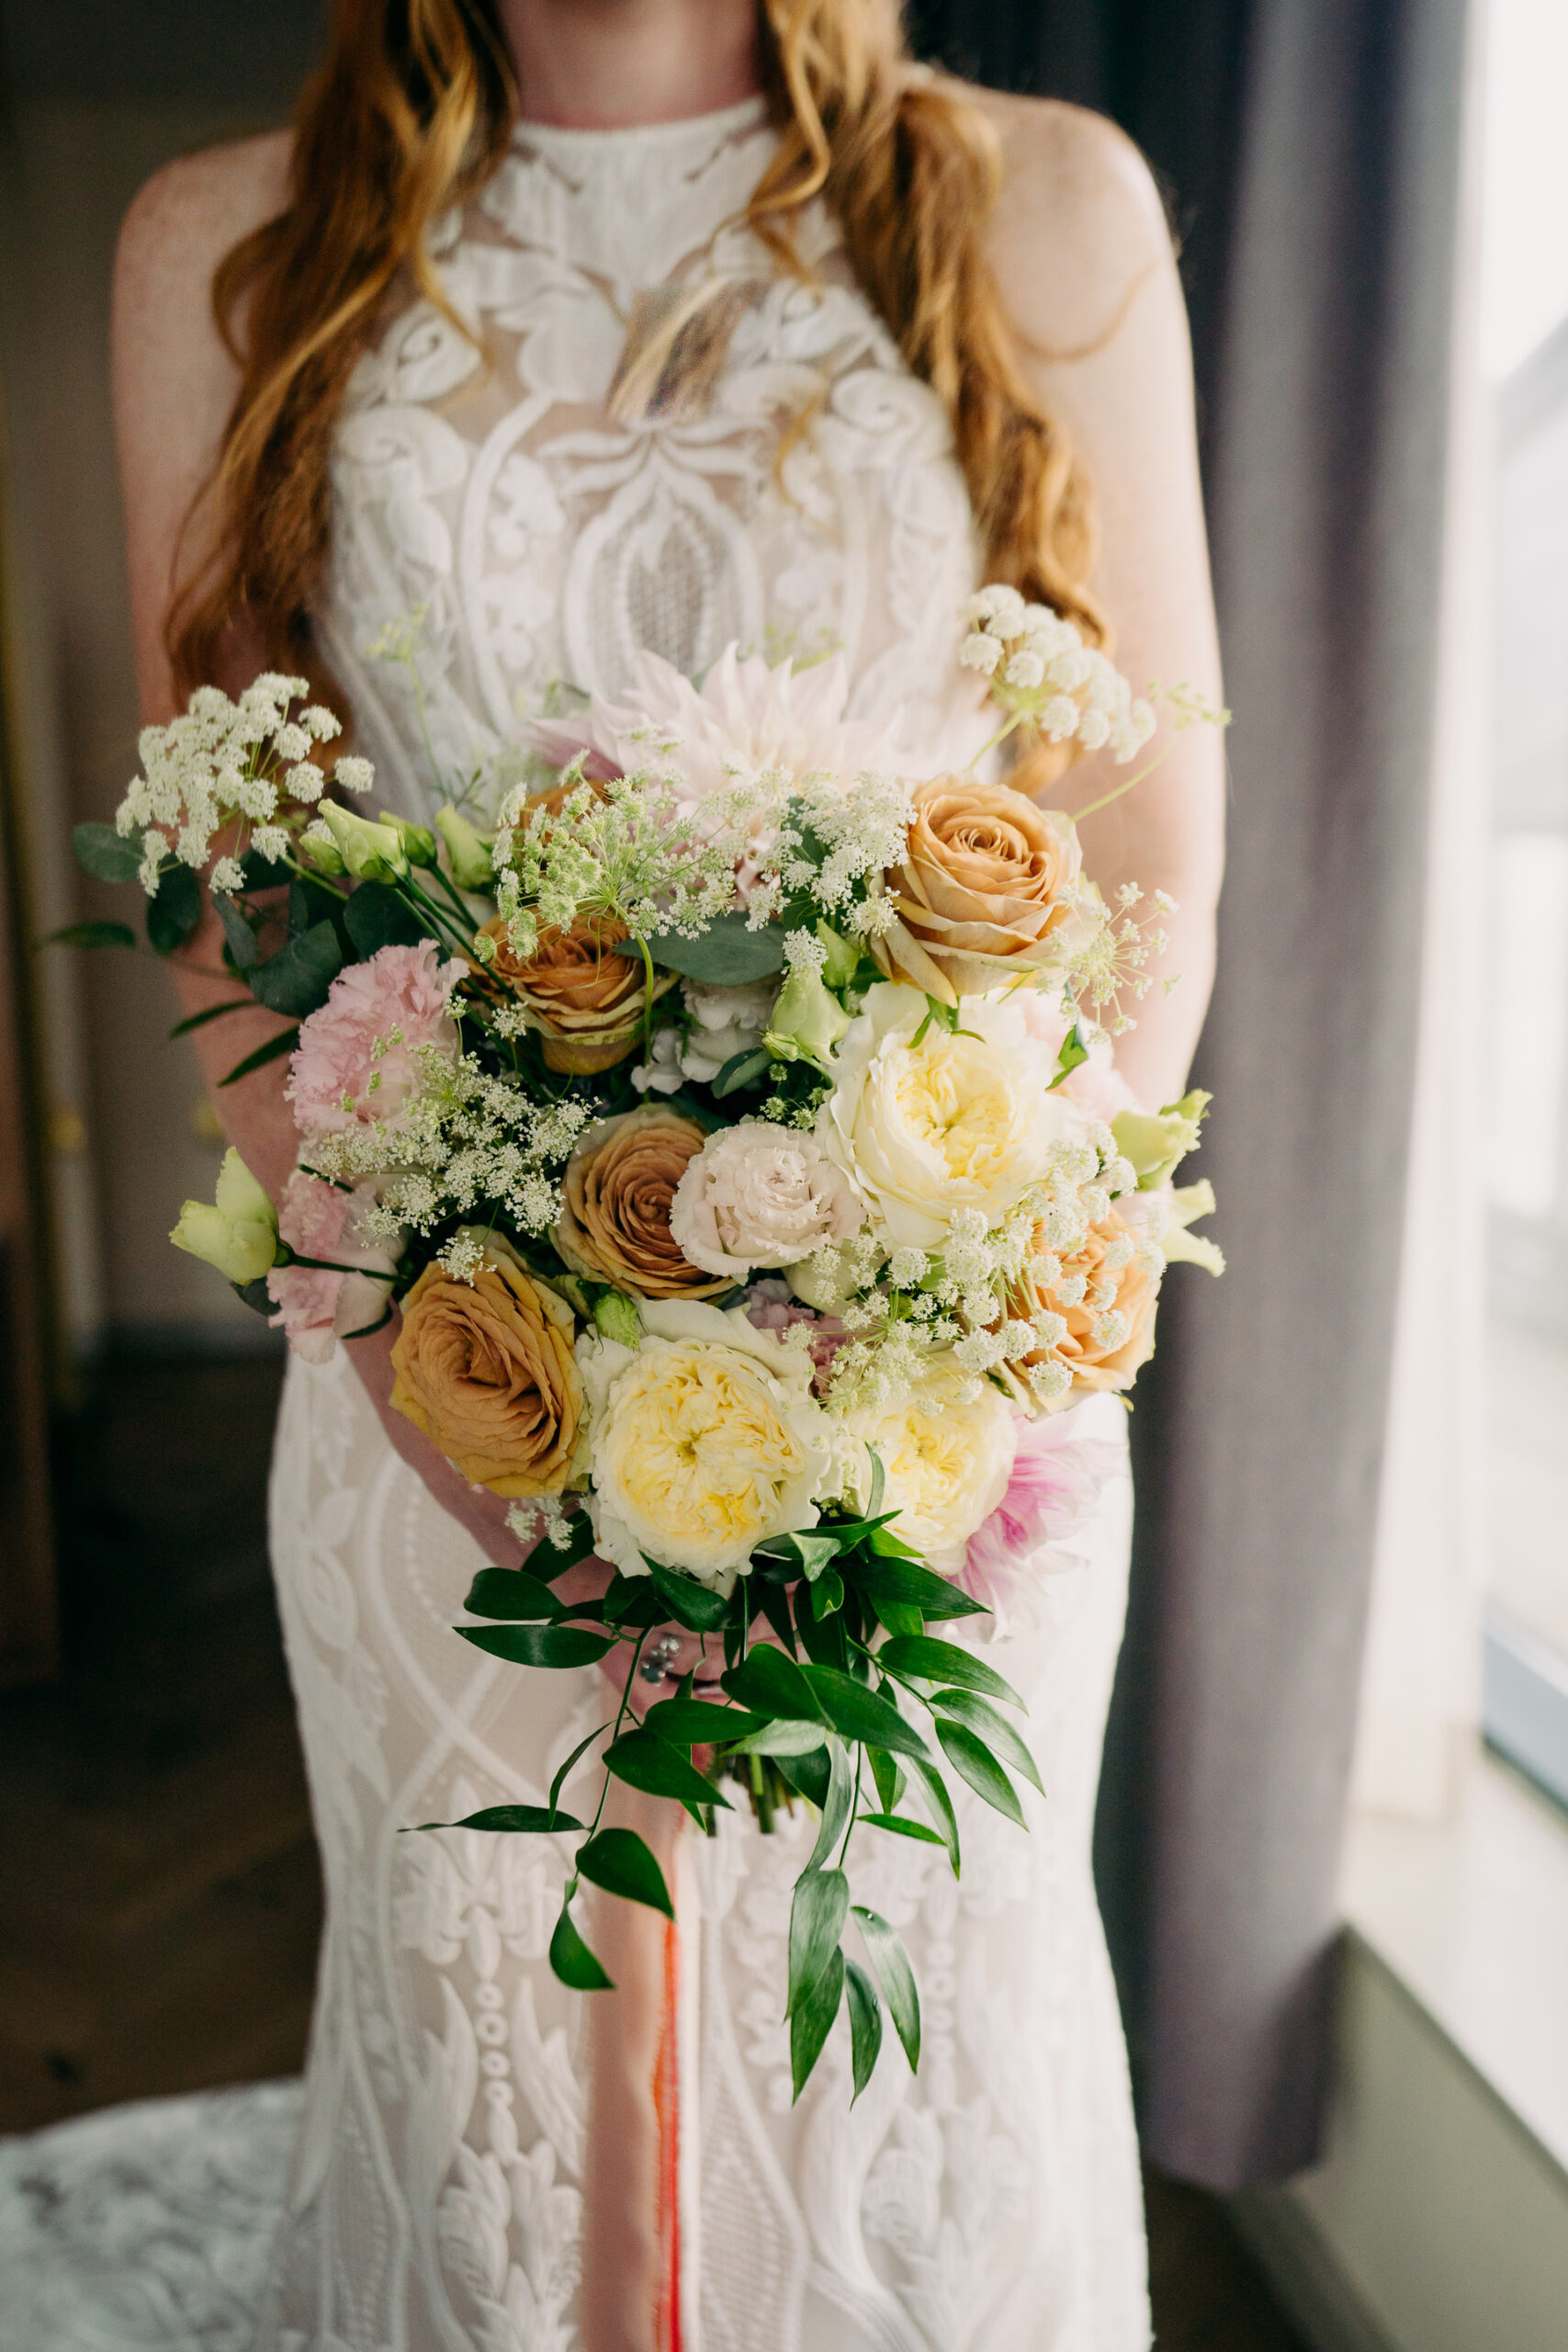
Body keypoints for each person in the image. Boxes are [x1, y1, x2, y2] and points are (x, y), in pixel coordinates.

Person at [107, 3, 1224, 2346]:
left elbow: (1133, 849)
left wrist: (956, 1352)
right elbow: (226, 890)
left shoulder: (1042, 199)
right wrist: (446, 1381)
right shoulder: (221, 245)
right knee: (489, 2118)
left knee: (917, 2107)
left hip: (943, 1420)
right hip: (444, 1402)